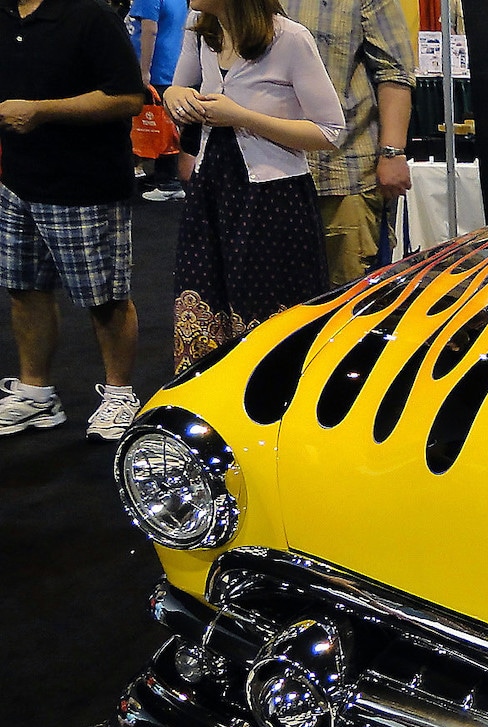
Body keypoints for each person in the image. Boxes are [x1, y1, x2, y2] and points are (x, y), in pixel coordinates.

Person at [164, 0, 344, 371]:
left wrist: (242, 117)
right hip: (211, 189)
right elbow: (177, 90)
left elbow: (329, 131)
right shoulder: (200, 28)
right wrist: (172, 95)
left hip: (273, 198)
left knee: (269, 309)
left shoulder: (291, 38)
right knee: (202, 297)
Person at [0, 0, 145, 441]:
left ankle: (120, 395)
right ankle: (35, 394)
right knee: (24, 289)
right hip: (17, 181)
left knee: (106, 297)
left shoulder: (90, 15)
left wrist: (42, 111)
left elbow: (128, 97)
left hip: (87, 183)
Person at [280, 0, 416, 288]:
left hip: (342, 173)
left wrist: (392, 152)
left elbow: (394, 72)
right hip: (266, 174)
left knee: (350, 299)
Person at [130, 0, 193, 201]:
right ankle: (164, 177)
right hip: (170, 64)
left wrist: (144, 71)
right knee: (168, 124)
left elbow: (149, 30)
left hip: (156, 68)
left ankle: (168, 182)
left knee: (163, 126)